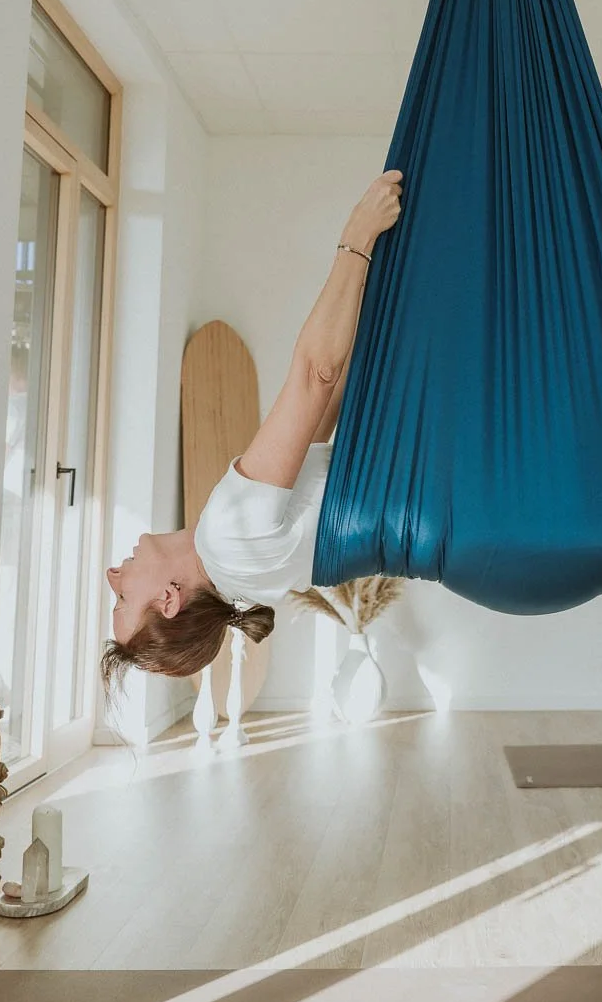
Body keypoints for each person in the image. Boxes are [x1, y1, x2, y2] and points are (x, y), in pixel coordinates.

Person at [100, 171, 403, 696]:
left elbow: (320, 416)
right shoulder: (228, 541)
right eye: (122, 600)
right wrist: (357, 240)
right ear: (169, 600)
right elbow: (315, 377)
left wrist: (376, 300)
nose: (112, 577)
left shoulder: (252, 580)